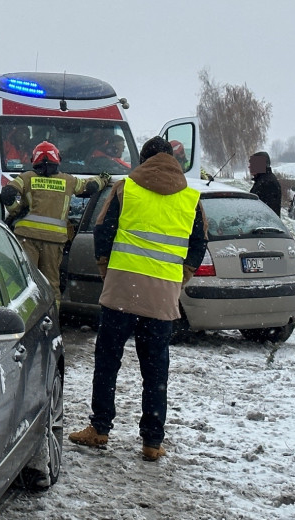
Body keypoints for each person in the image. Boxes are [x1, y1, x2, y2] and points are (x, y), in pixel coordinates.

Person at [68, 136, 208, 462]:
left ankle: (100, 428)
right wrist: (177, 280)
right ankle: (152, 442)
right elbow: (198, 245)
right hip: (162, 298)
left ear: (143, 160)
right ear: (172, 160)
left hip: (121, 291)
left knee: (107, 362)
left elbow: (103, 233)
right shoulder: (191, 199)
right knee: (156, 369)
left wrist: (110, 273)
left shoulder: (124, 189)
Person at [0, 141, 108, 308]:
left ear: (33, 160)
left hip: (26, 238)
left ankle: (25, 318)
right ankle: (51, 322)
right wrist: (103, 179)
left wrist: (16, 210)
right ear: (57, 160)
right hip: (54, 240)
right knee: (50, 284)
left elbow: (8, 193)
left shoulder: (27, 178)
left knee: (26, 282)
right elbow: (90, 186)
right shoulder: (68, 181)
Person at [248, 151, 282, 216]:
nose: (249, 167)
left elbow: (267, 210)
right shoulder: (262, 180)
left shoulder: (268, 183)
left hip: (265, 223)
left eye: (252, 163)